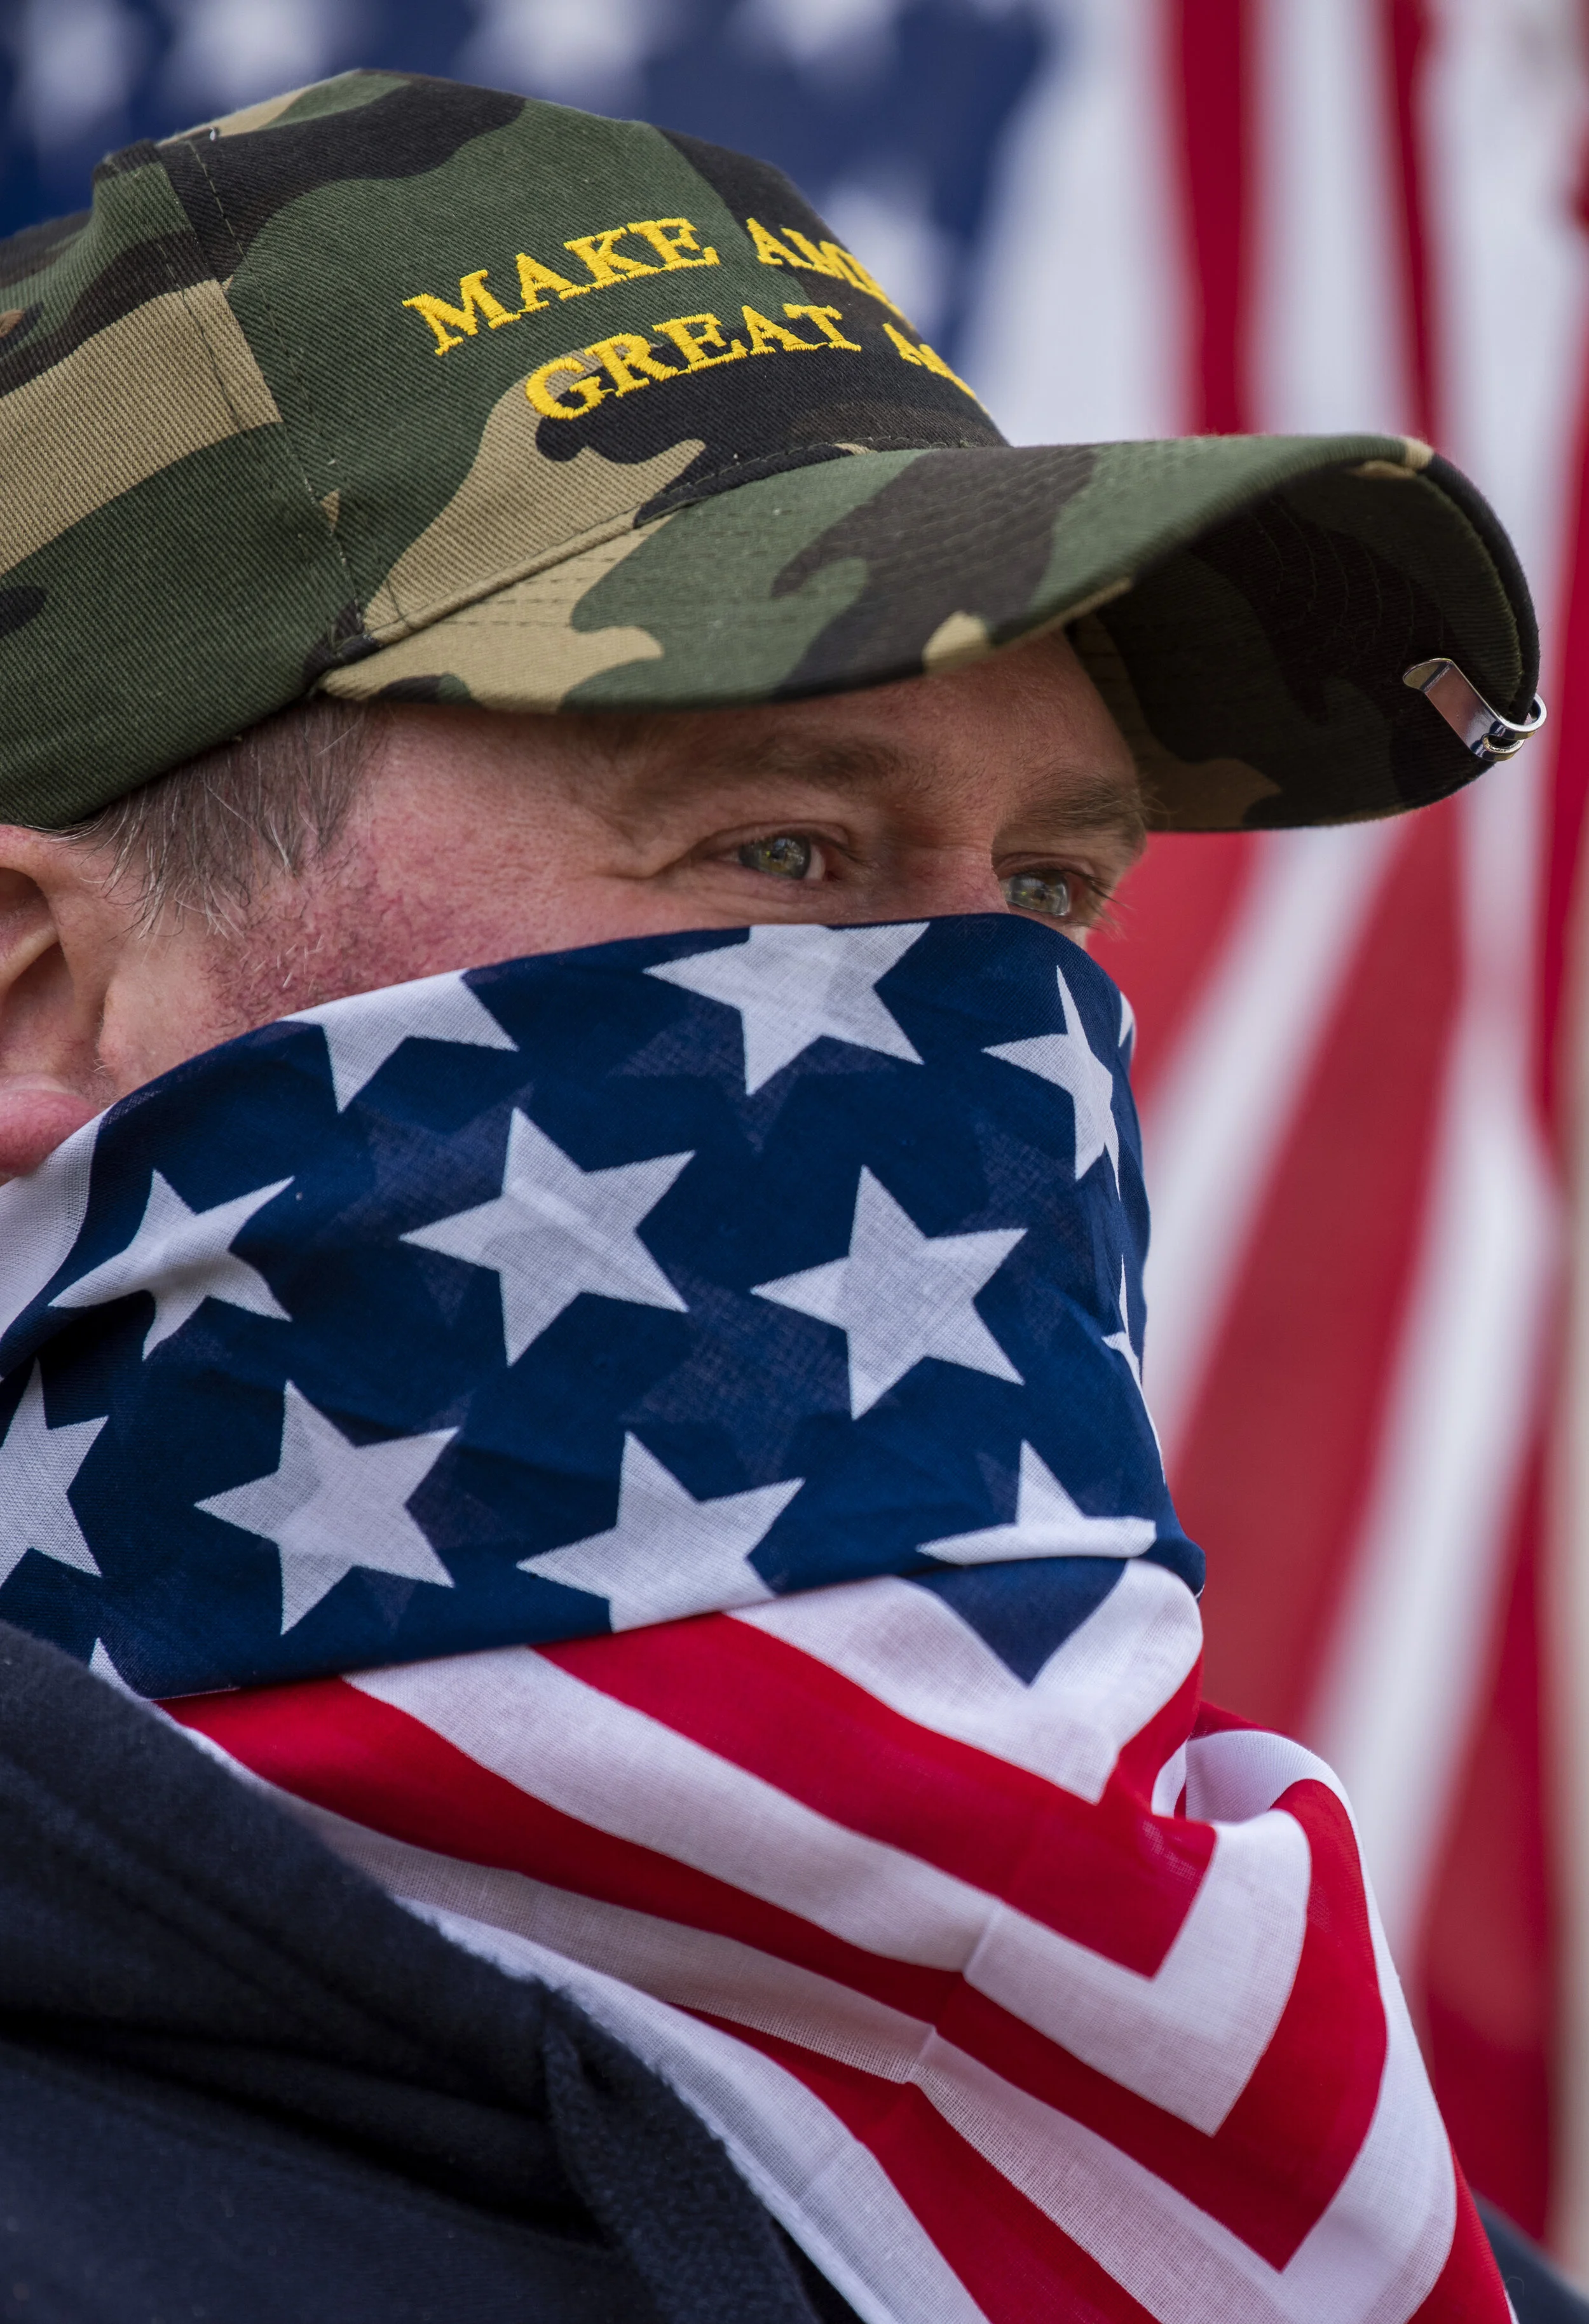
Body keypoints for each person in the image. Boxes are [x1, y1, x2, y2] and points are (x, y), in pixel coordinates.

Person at [0, 65, 1572, 2324]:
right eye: (783, 851)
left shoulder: (1287, 2203)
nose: (985, 1026)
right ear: (42, 993)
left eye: (1050, 888)